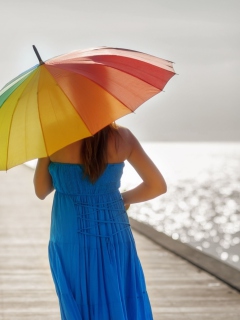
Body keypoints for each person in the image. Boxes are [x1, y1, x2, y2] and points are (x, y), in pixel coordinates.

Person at [33, 123, 167, 320]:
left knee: (78, 303)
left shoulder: (53, 137)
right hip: (115, 233)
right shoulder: (123, 137)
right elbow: (157, 186)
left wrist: (45, 151)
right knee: (119, 295)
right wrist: (122, 199)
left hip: (70, 237)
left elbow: (41, 190)